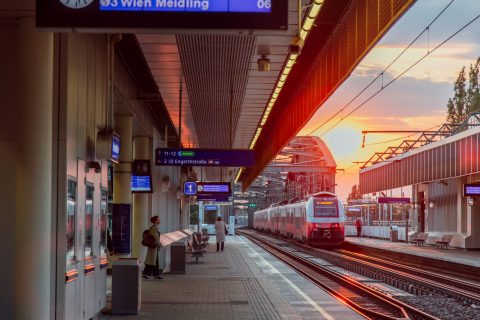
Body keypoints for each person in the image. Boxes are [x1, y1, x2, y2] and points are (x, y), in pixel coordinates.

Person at [142, 216, 162, 280]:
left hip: (154, 247)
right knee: (151, 261)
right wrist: (159, 245)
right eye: (158, 219)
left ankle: (155, 275)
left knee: (154, 261)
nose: (160, 220)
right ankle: (146, 274)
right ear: (155, 221)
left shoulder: (154, 228)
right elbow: (156, 238)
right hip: (153, 247)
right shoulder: (154, 228)